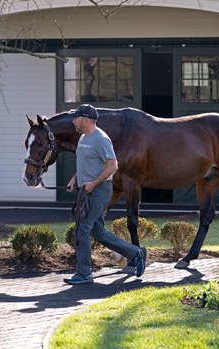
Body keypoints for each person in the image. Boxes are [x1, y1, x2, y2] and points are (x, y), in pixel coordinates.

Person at [64, 104, 146, 285]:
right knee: (99, 233)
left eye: (76, 118)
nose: (73, 121)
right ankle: (136, 253)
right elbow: (87, 163)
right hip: (87, 190)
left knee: (82, 229)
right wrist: (75, 178)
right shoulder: (83, 138)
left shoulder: (101, 139)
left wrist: (94, 183)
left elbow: (112, 165)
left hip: (100, 191)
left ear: (84, 119)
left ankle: (84, 273)